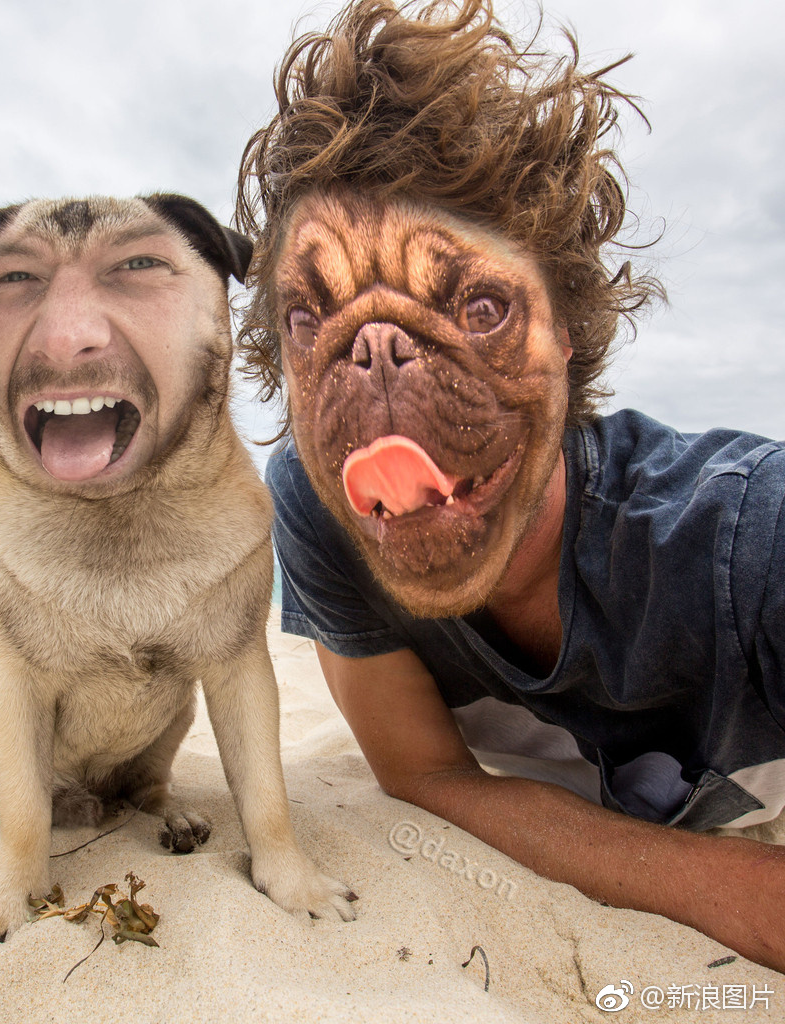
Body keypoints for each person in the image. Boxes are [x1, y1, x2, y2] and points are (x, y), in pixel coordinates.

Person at [234, 0, 785, 971]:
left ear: (567, 334)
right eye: (313, 319)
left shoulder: (749, 539)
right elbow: (427, 772)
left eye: (477, 305)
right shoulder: (316, 508)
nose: (376, 357)